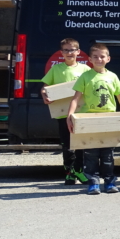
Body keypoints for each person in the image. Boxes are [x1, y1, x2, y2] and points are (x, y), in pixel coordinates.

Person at [67, 43, 120, 195]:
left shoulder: (112, 76)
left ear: (108, 59)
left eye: (102, 56)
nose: (99, 59)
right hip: (90, 121)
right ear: (89, 59)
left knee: (107, 155)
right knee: (90, 156)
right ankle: (93, 183)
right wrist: (70, 115)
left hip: (109, 121)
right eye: (95, 57)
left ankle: (109, 182)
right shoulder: (85, 76)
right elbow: (76, 98)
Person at [40, 38, 90, 185]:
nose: (69, 53)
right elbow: (45, 87)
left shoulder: (85, 70)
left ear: (78, 52)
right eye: (66, 50)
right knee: (67, 145)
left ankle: (80, 171)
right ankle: (69, 173)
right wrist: (45, 96)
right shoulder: (56, 69)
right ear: (61, 53)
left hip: (81, 114)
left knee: (80, 144)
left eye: (72, 50)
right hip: (63, 114)